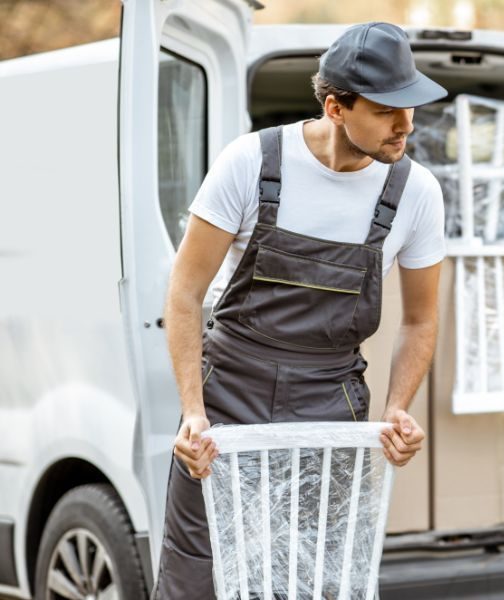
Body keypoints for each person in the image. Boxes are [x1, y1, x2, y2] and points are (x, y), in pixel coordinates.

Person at [154, 22, 447, 596]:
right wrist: (193, 411)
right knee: (197, 573)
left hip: (329, 406)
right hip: (227, 398)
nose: (405, 126)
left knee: (313, 576)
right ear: (336, 107)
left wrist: (397, 410)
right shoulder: (251, 163)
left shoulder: (416, 193)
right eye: (388, 110)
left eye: (410, 108)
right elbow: (184, 295)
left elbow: (420, 319)